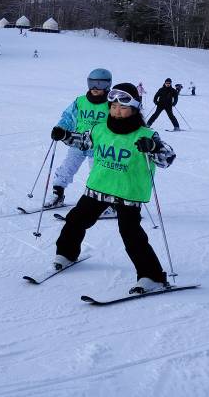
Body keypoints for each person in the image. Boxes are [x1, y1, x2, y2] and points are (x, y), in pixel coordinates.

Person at [49, 82, 176, 294]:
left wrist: (153, 147)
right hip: (98, 187)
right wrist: (65, 135)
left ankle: (152, 276)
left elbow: (167, 158)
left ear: (134, 109)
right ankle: (66, 254)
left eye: (123, 107)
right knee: (75, 220)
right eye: (113, 107)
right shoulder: (100, 129)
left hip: (128, 193)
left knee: (131, 234)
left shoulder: (146, 135)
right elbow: (83, 141)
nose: (117, 111)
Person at [43, 68, 111, 210]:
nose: (95, 88)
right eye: (92, 83)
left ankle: (106, 203)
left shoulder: (111, 104)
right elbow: (69, 117)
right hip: (78, 142)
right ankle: (58, 194)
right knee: (66, 168)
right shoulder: (80, 101)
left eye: (100, 84)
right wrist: (60, 128)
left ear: (107, 85)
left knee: (99, 175)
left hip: (99, 146)